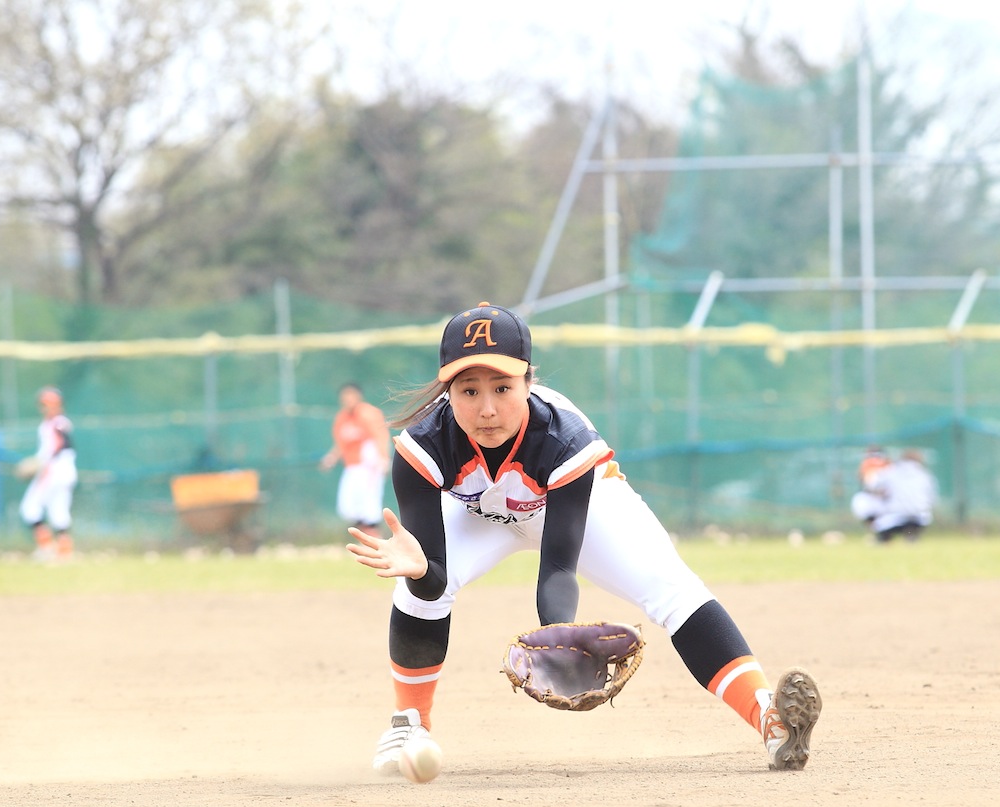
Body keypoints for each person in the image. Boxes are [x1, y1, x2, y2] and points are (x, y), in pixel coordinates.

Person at [347, 302, 821, 774]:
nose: (487, 408)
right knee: (411, 586)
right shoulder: (422, 446)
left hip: (574, 503)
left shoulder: (563, 438)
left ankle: (771, 720)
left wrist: (559, 638)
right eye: (468, 390)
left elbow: (557, 565)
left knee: (670, 586)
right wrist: (423, 573)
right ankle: (409, 724)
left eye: (503, 387)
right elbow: (434, 579)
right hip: (478, 511)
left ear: (529, 383)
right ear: (447, 390)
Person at [319, 382, 391, 539]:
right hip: (352, 466)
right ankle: (365, 536)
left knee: (369, 502)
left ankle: (374, 536)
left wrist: (384, 459)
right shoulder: (342, 418)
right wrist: (331, 458)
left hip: (370, 465)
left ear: (358, 396)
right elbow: (341, 444)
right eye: (345, 396)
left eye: (351, 395)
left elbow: (380, 437)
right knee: (348, 506)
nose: (348, 399)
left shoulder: (368, 413)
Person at [18, 385, 78, 562]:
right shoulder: (62, 422)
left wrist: (40, 464)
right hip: (67, 471)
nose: (47, 408)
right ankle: (65, 551)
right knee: (59, 511)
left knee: (30, 507)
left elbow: (58, 443)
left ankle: (46, 548)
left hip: (53, 470)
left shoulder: (55, 423)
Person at [868, 449, 938, 543]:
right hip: (921, 518)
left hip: (895, 517)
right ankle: (911, 535)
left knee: (879, 525)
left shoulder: (891, 471)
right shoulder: (925, 475)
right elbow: (932, 498)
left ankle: (885, 539)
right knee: (913, 522)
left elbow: (872, 483)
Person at [849, 445, 890, 530]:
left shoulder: (884, 465)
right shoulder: (885, 464)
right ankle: (878, 532)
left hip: (886, 500)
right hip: (874, 499)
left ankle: (881, 533)